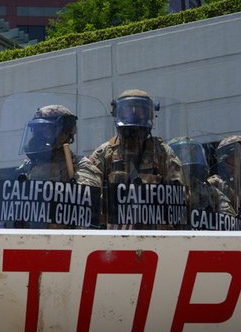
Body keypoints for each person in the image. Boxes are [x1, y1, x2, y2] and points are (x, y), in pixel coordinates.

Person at [79, 89, 185, 229]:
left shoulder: (162, 153)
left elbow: (179, 200)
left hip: (156, 238)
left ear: (150, 114)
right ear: (117, 114)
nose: (134, 115)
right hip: (114, 237)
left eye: (140, 110)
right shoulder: (105, 153)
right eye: (128, 111)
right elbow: (87, 197)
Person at [0, 104, 101, 229]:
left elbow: (87, 208)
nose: (39, 136)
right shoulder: (27, 167)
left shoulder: (80, 166)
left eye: (46, 130)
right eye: (37, 130)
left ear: (64, 133)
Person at [167, 136, 237, 230]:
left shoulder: (211, 192)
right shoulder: (165, 192)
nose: (189, 158)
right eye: (184, 155)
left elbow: (230, 223)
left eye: (192, 154)